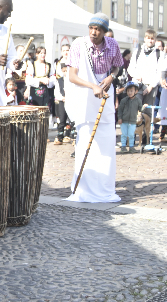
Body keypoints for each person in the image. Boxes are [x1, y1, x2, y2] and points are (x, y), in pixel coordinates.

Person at [65, 13, 124, 203]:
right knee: (85, 141)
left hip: (105, 94)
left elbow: (117, 67)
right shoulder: (78, 44)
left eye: (98, 29)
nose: (93, 32)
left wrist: (110, 77)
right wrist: (92, 86)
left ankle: (104, 186)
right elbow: (72, 76)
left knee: (106, 141)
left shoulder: (112, 45)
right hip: (85, 94)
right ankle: (83, 186)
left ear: (105, 32)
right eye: (91, 28)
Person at [128, 29, 161, 110]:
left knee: (147, 112)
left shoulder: (159, 54)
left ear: (155, 40)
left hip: (151, 87)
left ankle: (146, 122)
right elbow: (130, 68)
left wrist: (151, 86)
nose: (150, 41)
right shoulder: (138, 52)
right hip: (138, 85)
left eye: (152, 39)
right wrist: (136, 75)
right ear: (145, 39)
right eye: (148, 38)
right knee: (135, 110)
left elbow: (159, 73)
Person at [118, 82, 142, 153]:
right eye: (128, 91)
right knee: (124, 134)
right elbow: (120, 110)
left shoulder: (138, 101)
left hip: (133, 121)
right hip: (124, 121)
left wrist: (144, 107)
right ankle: (123, 147)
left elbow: (141, 109)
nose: (129, 93)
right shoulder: (123, 100)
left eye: (131, 91)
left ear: (136, 91)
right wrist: (120, 118)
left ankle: (131, 147)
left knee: (131, 135)